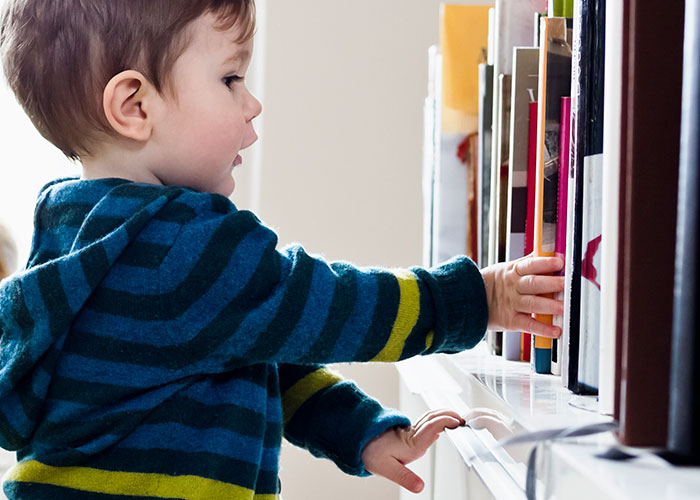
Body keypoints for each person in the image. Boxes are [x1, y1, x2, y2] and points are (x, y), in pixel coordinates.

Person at [0, 1, 564, 498]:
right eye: (229, 80)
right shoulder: (186, 246)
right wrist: (473, 298)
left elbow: (248, 350)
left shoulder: (76, 233)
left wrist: (357, 430)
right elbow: (327, 305)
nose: (253, 103)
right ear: (135, 106)